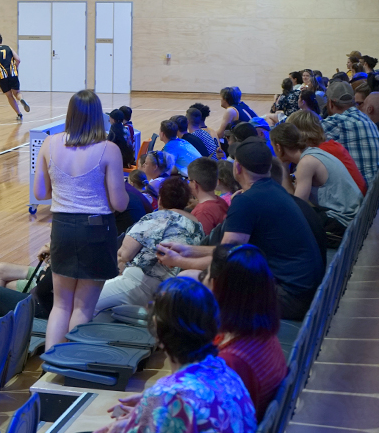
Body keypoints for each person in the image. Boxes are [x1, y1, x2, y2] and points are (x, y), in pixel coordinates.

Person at [156, 137, 324, 321]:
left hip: (287, 298)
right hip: (301, 292)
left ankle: (198, 345)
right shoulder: (274, 191)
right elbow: (228, 250)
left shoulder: (246, 201)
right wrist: (189, 250)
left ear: (237, 168)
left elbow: (227, 260)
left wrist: (181, 261)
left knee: (186, 280)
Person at [96, 278, 256, 433]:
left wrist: (153, 407)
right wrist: (151, 409)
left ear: (158, 328)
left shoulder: (170, 394)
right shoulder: (226, 372)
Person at [33, 90, 128, 349]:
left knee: (61, 306)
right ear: (99, 117)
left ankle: (50, 364)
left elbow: (40, 193)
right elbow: (120, 203)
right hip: (96, 230)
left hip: (62, 228)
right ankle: (67, 365)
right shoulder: (109, 149)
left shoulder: (49, 143)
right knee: (84, 307)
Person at [95, 177, 204, 311]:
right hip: (170, 291)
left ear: (160, 199)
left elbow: (125, 254)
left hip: (140, 283)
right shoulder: (198, 226)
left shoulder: (158, 216)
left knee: (87, 301)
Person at [204, 244, 287, 419]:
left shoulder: (232, 362)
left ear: (216, 286)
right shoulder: (262, 334)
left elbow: (213, 421)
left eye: (206, 275)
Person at [271, 122, 363, 245]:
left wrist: (283, 168)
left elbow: (297, 206)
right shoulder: (312, 152)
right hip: (353, 215)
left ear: (278, 147)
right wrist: (285, 166)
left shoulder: (306, 163)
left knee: (284, 222)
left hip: (343, 223)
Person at [287, 109, 367, 195]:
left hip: (351, 204)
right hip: (360, 201)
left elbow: (297, 198)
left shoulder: (316, 155)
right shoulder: (332, 146)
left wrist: (284, 163)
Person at [321, 80, 379, 183]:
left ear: (330, 103)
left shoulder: (333, 123)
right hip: (374, 194)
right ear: (353, 101)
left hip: (356, 195)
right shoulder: (368, 121)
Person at [0, 34, 30, 120]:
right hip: (13, 73)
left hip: (2, 75)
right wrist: (15, 68)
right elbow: (18, 60)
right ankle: (21, 99)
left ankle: (19, 114)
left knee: (9, 95)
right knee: (17, 93)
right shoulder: (9, 48)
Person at [188, 157, 229, 235]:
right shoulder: (221, 201)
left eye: (189, 180)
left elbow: (202, 243)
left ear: (194, 184)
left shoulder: (202, 213)